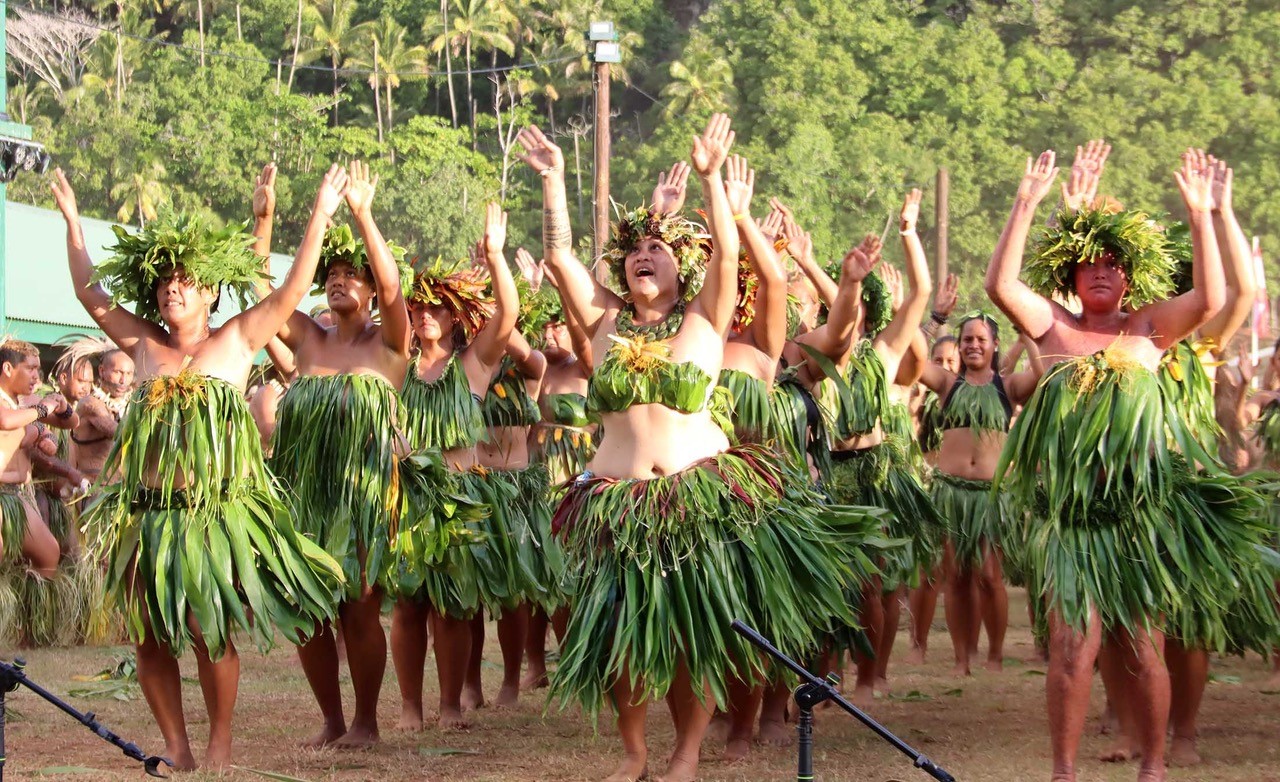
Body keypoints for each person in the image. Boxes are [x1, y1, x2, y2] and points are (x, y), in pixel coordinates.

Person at [519, 115, 869, 782]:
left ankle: (685, 755)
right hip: (614, 504)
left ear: (683, 265)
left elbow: (732, 258)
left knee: (688, 639)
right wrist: (556, 183)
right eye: (633, 250)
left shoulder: (707, 317)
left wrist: (711, 180)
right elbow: (562, 260)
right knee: (620, 642)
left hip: (692, 501)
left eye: (658, 248)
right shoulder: (604, 322)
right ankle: (634, 753)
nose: (642, 255)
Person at [52, 165, 344, 770]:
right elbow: (90, 293)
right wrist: (74, 223)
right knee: (150, 634)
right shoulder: (143, 344)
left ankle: (218, 742)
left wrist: (316, 213)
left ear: (209, 291)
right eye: (163, 285)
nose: (172, 291)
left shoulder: (237, 339)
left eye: (185, 282)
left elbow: (291, 292)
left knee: (209, 627)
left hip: (211, 516)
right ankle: (176, 746)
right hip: (150, 514)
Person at [984, 143, 1238, 782]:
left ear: (1130, 277)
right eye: (1089, 266)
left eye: (1113, 266)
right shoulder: (1053, 332)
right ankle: (1063, 772)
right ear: (1071, 279)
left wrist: (1202, 214)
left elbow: (1210, 296)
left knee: (1143, 648)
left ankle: (1154, 767)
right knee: (1072, 650)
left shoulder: (1150, 330)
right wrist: (1026, 203)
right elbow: (1000, 285)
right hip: (1073, 524)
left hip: (1135, 521)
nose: (1101, 273)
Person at [261, 161, 412, 749]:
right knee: (308, 607)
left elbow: (397, 289)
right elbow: (267, 294)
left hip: (365, 494)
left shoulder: (389, 345)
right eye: (334, 274)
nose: (341, 281)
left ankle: (367, 720)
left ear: (371, 289)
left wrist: (363, 215)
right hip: (305, 494)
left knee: (359, 604)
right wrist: (267, 219)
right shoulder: (309, 340)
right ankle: (329, 717)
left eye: (354, 275)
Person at [790, 190, 939, 706]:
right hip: (826, 475)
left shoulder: (882, 350)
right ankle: (824, 675)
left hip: (871, 473)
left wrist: (908, 232)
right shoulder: (812, 354)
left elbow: (920, 293)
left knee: (871, 585)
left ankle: (871, 675)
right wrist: (807, 263)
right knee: (826, 580)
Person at [388, 211, 525, 731]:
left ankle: (448, 704)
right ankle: (408, 707)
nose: (425, 314)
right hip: (403, 499)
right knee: (406, 606)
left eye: (437, 308)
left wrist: (494, 256)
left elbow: (507, 314)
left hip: (457, 497)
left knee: (452, 607)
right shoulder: (394, 366)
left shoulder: (474, 365)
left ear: (455, 318)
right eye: (417, 306)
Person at [916, 313, 1040, 676]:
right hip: (951, 494)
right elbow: (913, 362)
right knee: (955, 575)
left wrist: (1027, 332)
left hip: (990, 496)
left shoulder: (1008, 386)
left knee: (989, 575)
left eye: (981, 340)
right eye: (967, 339)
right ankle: (960, 658)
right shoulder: (947, 384)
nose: (973, 345)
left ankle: (995, 655)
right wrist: (934, 319)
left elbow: (1041, 374)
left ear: (994, 345)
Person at [70, 348, 133, 483]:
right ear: (102, 371)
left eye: (129, 373)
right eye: (118, 372)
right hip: (94, 490)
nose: (123, 380)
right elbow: (121, 433)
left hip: (120, 489)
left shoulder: (131, 405)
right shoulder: (90, 404)